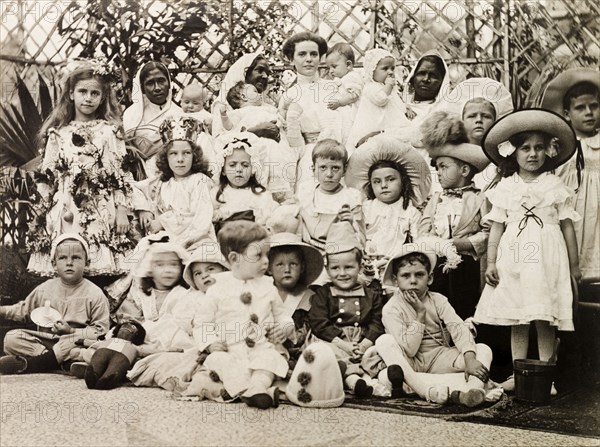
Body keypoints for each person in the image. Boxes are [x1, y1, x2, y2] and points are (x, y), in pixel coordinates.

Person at [473, 109, 581, 392]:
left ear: (548, 151)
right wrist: (492, 262)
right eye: (525, 148)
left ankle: (547, 375)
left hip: (547, 257)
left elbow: (568, 227)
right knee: (517, 315)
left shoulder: (556, 186)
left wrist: (574, 266)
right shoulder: (506, 187)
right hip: (515, 256)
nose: (532, 154)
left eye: (539, 148)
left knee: (545, 315)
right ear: (514, 153)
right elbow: (496, 227)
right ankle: (519, 373)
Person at [27, 60, 134, 278]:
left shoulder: (110, 132)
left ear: (103, 97)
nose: (88, 98)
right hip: (66, 206)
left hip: (101, 207)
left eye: (94, 93)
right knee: (68, 263)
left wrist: (123, 209)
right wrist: (40, 212)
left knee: (98, 267)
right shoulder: (59, 133)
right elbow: (47, 177)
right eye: (82, 91)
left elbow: (121, 173)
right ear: (71, 94)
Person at [190, 221, 295, 409]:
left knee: (270, 360)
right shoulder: (217, 288)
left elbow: (282, 315)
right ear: (234, 258)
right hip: (230, 349)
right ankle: (248, 389)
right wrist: (209, 343)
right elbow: (202, 322)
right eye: (258, 255)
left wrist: (285, 328)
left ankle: (257, 387)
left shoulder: (268, 286)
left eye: (267, 255)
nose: (265, 261)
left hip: (262, 347)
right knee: (221, 362)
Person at [375, 243, 494, 407]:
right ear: (396, 280)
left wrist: (469, 359)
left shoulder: (438, 300)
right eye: (405, 276)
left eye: (419, 275)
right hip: (411, 362)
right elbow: (410, 349)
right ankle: (429, 389)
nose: (413, 281)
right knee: (384, 347)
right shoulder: (391, 308)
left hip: (440, 357)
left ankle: (472, 391)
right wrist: (420, 315)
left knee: (482, 349)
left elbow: (457, 328)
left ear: (429, 278)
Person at [125, 238, 229, 390]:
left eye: (211, 269)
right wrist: (207, 342)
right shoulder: (195, 297)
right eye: (197, 274)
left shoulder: (233, 292)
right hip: (192, 339)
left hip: (228, 338)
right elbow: (187, 320)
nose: (204, 275)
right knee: (172, 355)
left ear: (225, 270)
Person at [0, 234, 109, 374]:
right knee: (11, 338)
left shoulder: (95, 293)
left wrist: (71, 331)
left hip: (75, 341)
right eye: (63, 258)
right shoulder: (44, 289)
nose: (69, 263)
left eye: (76, 257)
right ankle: (60, 362)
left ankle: (38, 363)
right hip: (48, 343)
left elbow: (101, 331)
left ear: (87, 263)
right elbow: (22, 311)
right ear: (54, 263)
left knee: (84, 346)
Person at [308, 223, 385, 397]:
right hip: (333, 340)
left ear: (359, 266)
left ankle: (372, 378)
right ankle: (353, 381)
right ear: (327, 269)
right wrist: (343, 343)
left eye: (349, 267)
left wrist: (365, 343)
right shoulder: (324, 293)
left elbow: (377, 322)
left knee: (377, 353)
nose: (342, 273)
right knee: (327, 353)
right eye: (335, 268)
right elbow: (318, 322)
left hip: (362, 341)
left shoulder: (371, 294)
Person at [419, 135, 491, 320]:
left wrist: (464, 243)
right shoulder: (435, 199)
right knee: (437, 306)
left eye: (444, 166)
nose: (439, 173)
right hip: (437, 264)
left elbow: (488, 232)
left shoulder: (480, 199)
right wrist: (434, 243)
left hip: (468, 265)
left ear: (464, 170)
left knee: (465, 306)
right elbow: (422, 230)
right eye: (438, 167)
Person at [542, 68, 600, 280]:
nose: (588, 112)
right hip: (570, 210)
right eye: (580, 108)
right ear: (567, 114)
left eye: (594, 106)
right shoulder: (560, 146)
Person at [345, 134, 431, 265]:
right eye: (377, 181)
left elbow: (418, 241)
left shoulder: (410, 212)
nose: (384, 185)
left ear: (403, 182)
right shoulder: (366, 208)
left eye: (390, 179)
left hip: (396, 263)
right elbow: (356, 234)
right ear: (371, 185)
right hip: (366, 261)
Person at [132, 117, 216, 251]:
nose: (180, 159)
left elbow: (200, 217)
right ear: (166, 157)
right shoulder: (161, 182)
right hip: (167, 239)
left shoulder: (199, 180)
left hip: (197, 241)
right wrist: (144, 209)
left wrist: (163, 221)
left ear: (195, 156)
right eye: (173, 154)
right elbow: (134, 189)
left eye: (186, 153)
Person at [278, 32, 342, 194]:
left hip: (339, 150)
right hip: (309, 154)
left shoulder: (333, 87)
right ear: (291, 59)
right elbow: (288, 138)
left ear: (320, 58)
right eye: (302, 54)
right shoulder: (288, 96)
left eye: (314, 54)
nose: (309, 59)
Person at [440, 77, 514, 190]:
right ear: (461, 121)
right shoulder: (452, 158)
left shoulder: (504, 156)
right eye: (472, 116)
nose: (479, 120)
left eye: (486, 116)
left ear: (495, 121)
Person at [267, 232, 324, 369]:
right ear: (269, 269)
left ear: (302, 267)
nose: (287, 269)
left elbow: (312, 329)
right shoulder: (263, 294)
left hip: (298, 351)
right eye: (280, 265)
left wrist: (289, 333)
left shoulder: (310, 297)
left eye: (293, 264)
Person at [298, 139, 365, 255]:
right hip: (309, 249)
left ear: (344, 170)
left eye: (335, 168)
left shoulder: (351, 197)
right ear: (314, 170)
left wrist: (351, 223)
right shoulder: (306, 193)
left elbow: (361, 239)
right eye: (323, 167)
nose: (329, 174)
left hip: (340, 251)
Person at [123, 61, 183, 178]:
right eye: (150, 83)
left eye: (161, 81)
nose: (157, 88)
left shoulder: (178, 113)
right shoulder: (132, 115)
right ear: (142, 88)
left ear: (169, 83)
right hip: (143, 176)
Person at [346, 49, 411, 152]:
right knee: (374, 143)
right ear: (372, 71)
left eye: (392, 68)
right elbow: (381, 99)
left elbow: (397, 102)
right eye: (385, 69)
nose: (390, 72)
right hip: (374, 122)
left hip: (387, 120)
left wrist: (406, 108)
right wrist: (389, 85)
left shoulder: (387, 87)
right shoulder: (371, 87)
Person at [212, 132, 279, 228]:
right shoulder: (217, 194)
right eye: (232, 165)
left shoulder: (261, 195)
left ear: (253, 170)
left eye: (245, 165)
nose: (239, 170)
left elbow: (267, 223)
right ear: (223, 170)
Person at [212, 51, 278, 140]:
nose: (265, 76)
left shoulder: (265, 107)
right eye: (260, 70)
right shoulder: (222, 105)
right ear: (245, 72)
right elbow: (219, 140)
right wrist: (254, 132)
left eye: (267, 73)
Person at [325, 42, 364, 145]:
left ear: (348, 65)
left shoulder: (352, 77)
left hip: (351, 112)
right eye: (329, 68)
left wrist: (339, 103)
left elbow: (353, 95)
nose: (331, 71)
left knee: (348, 133)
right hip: (342, 112)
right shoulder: (342, 78)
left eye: (334, 66)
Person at [402, 50, 450, 126]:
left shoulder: (444, 117)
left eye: (433, 76)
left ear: (442, 82)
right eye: (421, 73)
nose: (426, 79)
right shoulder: (399, 107)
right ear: (412, 77)